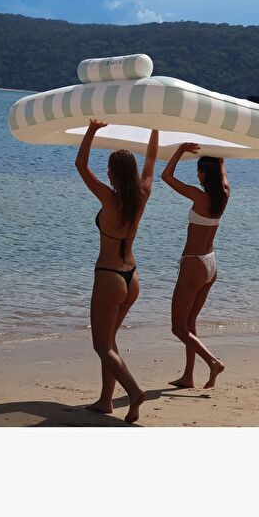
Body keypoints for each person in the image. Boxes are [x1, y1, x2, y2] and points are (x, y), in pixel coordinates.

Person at [75, 120, 158, 423]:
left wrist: (92, 130)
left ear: (113, 173)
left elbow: (81, 165)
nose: (106, 173)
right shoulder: (142, 194)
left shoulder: (109, 199)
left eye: (109, 169)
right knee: (109, 342)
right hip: (132, 277)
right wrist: (156, 127)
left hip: (109, 276)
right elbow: (151, 159)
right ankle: (105, 400)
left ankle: (134, 392)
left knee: (101, 345)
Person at [161, 144, 230, 389]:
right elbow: (222, 168)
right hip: (210, 264)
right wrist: (213, 148)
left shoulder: (199, 197)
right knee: (190, 323)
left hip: (193, 264)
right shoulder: (225, 193)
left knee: (178, 328)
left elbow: (166, 176)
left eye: (199, 171)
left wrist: (180, 150)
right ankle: (188, 376)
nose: (197, 175)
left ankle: (213, 362)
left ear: (205, 175)